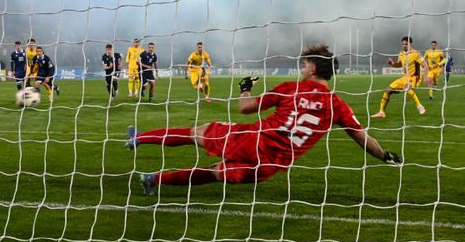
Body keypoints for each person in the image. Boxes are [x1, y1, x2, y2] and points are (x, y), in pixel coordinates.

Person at [126, 44, 402, 196]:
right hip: (271, 166)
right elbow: (361, 136)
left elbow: (245, 107)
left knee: (196, 132)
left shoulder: (290, 88)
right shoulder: (337, 105)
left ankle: (137, 139)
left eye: (304, 64)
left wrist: (245, 86)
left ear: (313, 67)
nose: (301, 68)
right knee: (213, 173)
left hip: (250, 141)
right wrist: (385, 155)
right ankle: (153, 180)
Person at [372, 36, 431, 118]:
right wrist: (392, 63)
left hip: (414, 77)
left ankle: (420, 107)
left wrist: (426, 77)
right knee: (387, 90)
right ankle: (382, 112)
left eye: (406, 44)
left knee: (407, 88)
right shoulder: (401, 53)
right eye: (403, 44)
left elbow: (425, 65)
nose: (404, 46)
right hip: (405, 77)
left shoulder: (416, 53)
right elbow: (399, 64)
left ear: (411, 44)